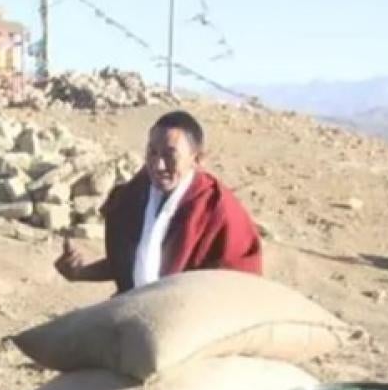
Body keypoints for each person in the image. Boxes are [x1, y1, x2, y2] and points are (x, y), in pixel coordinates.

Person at [55, 110, 262, 293]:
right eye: (152, 153)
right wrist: (80, 272)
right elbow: (131, 265)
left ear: (197, 159)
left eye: (170, 156)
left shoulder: (217, 209)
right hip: (134, 308)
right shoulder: (135, 194)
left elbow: (239, 287)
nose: (158, 165)